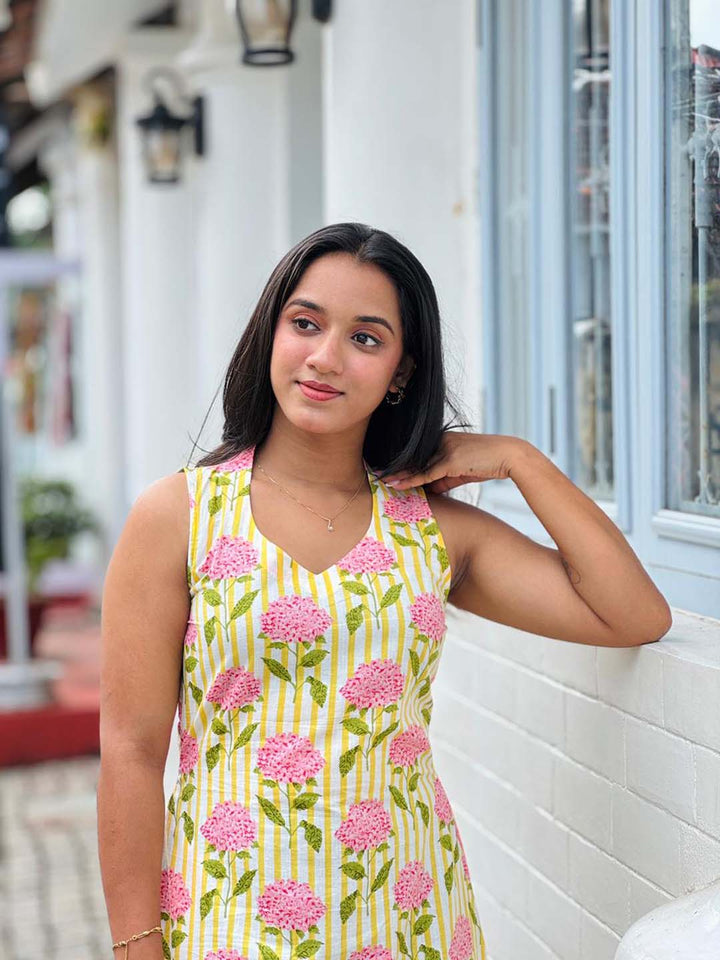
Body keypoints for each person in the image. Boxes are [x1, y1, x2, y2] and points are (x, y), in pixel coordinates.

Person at [97, 222, 672, 960]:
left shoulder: (432, 531)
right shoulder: (179, 515)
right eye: (305, 324)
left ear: (401, 372)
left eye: (366, 339)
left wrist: (520, 461)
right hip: (227, 913)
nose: (325, 358)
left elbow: (633, 614)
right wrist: (136, 943)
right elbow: (133, 747)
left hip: (407, 912)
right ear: (271, 334)